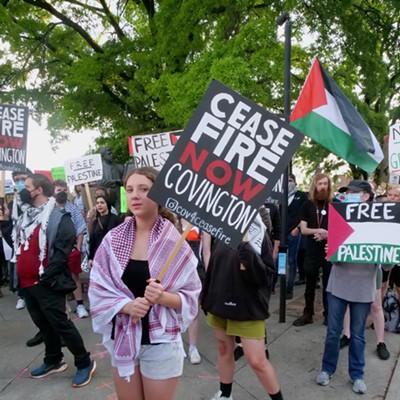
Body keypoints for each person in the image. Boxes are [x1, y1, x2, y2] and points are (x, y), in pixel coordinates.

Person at [89, 166, 201, 400]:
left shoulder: (174, 241)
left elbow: (190, 297)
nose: (135, 195)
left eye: (143, 189)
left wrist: (162, 297)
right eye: (130, 190)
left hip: (160, 343)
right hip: (123, 337)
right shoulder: (113, 239)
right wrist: (126, 306)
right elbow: (98, 288)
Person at [12, 173, 95, 387]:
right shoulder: (26, 216)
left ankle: (84, 362)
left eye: (26, 186)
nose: (21, 189)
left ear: (39, 190)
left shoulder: (59, 216)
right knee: (44, 325)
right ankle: (53, 359)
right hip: (27, 283)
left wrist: (45, 277)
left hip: (45, 283)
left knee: (61, 325)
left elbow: (62, 250)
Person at [316, 179, 388, 394]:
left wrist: (392, 252)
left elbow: (386, 262)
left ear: (366, 195)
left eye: (352, 192)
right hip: (339, 285)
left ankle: (357, 375)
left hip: (363, 287)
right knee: (333, 332)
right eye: (346, 193)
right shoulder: (340, 217)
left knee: (358, 334)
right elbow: (334, 256)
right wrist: (332, 249)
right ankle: (327, 370)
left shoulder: (381, 222)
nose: (347, 196)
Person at [202, 214, 284, 400]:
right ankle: (225, 394)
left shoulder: (258, 230)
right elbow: (215, 263)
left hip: (248, 306)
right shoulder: (220, 225)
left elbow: (266, 278)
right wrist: (206, 296)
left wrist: (250, 259)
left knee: (257, 360)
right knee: (224, 348)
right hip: (219, 301)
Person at [293, 173, 333, 326]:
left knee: (328, 285)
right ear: (314, 186)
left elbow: (339, 229)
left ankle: (328, 314)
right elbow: (303, 229)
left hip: (328, 250)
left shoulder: (333, 204)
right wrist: (319, 231)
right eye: (320, 184)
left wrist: (326, 235)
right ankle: (307, 313)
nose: (323, 186)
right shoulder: (308, 205)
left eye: (325, 183)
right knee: (309, 285)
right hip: (311, 251)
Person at [53, 180, 89, 319]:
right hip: (55, 249)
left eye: (64, 189)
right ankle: (65, 307)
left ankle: (80, 305)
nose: (61, 192)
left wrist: (78, 248)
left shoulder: (73, 208)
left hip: (71, 248)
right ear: (53, 192)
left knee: (74, 277)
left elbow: (80, 229)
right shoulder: (50, 209)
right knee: (59, 278)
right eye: (58, 190)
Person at [286, 174, 308, 299]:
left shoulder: (301, 196)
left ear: (295, 182)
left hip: (294, 232)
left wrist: (298, 228)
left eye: (290, 181)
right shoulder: (280, 195)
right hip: (282, 233)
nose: (288, 183)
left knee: (292, 261)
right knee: (281, 261)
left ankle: (289, 289)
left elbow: (304, 214)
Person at [87, 194, 122, 269]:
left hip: (113, 256)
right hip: (99, 255)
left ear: (107, 204)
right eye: (97, 203)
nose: (99, 205)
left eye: (102, 203)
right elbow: (92, 241)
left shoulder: (116, 219)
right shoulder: (95, 222)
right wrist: (90, 258)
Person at [97, 146, 124, 212]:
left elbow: (124, 180)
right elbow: (99, 182)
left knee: (120, 214)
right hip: (106, 196)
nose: (111, 155)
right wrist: (114, 181)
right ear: (103, 156)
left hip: (119, 197)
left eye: (111, 153)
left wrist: (121, 182)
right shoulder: (99, 169)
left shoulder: (120, 167)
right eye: (108, 154)